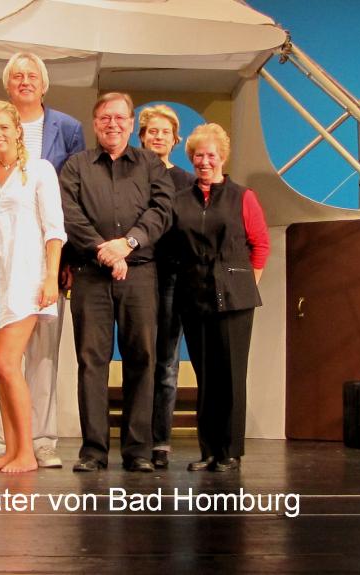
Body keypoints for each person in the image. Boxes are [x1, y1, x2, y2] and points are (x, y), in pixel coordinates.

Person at [0, 52, 85, 469]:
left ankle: (31, 451)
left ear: (18, 130)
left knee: (10, 362)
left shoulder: (41, 170)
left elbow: (55, 228)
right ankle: (11, 449)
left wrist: (52, 276)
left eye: (4, 127)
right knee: (1, 369)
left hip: (27, 278)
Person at [59, 92, 175, 473]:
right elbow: (69, 214)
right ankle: (93, 451)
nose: (113, 124)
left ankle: (138, 450)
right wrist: (103, 250)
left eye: (120, 117)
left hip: (139, 273)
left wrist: (128, 244)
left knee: (142, 359)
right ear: (95, 123)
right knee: (91, 361)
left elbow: (162, 210)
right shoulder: (76, 166)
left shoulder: (150, 164)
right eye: (105, 117)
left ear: (131, 122)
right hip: (90, 274)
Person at [174, 123, 269, 472]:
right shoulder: (180, 200)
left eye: (211, 155)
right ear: (191, 158)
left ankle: (230, 450)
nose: (204, 161)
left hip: (235, 299)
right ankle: (208, 450)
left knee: (230, 374)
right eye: (198, 155)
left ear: (222, 157)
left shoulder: (243, 196)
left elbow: (260, 244)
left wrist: (246, 284)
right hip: (194, 296)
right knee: (205, 375)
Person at [137, 104, 195, 469]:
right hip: (136, 274)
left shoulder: (186, 181)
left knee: (167, 363)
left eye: (165, 132)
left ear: (175, 139)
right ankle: (136, 439)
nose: (158, 137)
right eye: (152, 131)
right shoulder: (129, 173)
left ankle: (160, 441)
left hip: (173, 277)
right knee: (139, 358)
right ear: (141, 137)